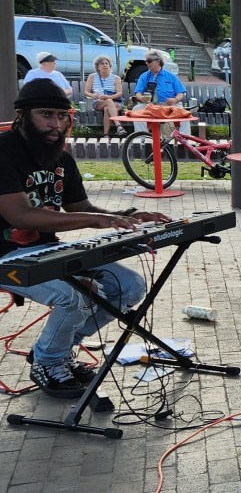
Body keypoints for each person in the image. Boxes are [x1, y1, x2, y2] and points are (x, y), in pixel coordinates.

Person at [0, 80, 171, 397]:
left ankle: (56, 351)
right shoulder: (3, 152)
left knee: (130, 286)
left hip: (44, 250)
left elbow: (80, 207)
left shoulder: (60, 158)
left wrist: (127, 215)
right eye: (46, 115)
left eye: (62, 116)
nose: (56, 124)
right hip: (5, 256)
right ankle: (49, 363)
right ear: (22, 116)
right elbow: (20, 216)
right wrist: (96, 220)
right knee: (72, 296)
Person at [131, 50, 189, 136]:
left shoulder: (171, 76)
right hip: (150, 105)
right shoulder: (144, 76)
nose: (147, 63)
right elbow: (138, 93)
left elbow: (180, 93)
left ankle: (185, 138)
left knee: (184, 114)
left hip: (168, 105)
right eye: (146, 61)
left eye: (149, 61)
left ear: (158, 61)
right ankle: (143, 138)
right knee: (136, 110)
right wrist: (141, 98)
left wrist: (175, 99)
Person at [84, 54, 126, 137]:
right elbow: (86, 92)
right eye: (102, 63)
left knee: (107, 108)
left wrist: (109, 97)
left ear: (110, 66)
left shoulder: (116, 78)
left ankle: (106, 135)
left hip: (115, 101)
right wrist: (94, 96)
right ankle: (118, 126)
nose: (105, 65)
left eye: (106, 63)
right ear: (98, 67)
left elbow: (119, 93)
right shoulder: (92, 77)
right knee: (108, 102)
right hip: (98, 101)